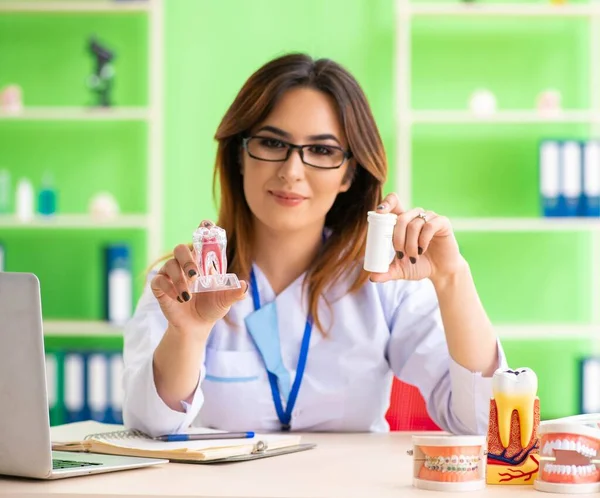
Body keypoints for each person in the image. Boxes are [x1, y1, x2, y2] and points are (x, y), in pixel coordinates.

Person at [122, 53, 507, 437]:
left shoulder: (387, 286)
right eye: (272, 143)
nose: (291, 172)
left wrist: (452, 277)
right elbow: (148, 428)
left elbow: (484, 424)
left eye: (322, 151)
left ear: (349, 174)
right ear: (240, 157)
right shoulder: (181, 287)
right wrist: (188, 334)